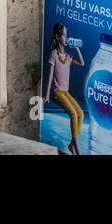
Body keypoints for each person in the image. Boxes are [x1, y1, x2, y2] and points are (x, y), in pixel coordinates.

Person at [43, 22, 85, 154]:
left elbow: (82, 63)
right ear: (57, 37)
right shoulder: (54, 55)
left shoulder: (67, 56)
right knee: (73, 113)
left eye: (67, 36)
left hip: (66, 92)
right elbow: (50, 75)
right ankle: (76, 146)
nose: (66, 39)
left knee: (81, 114)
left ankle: (72, 143)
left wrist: (76, 48)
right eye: (64, 36)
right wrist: (47, 94)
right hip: (57, 92)